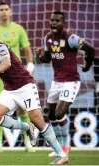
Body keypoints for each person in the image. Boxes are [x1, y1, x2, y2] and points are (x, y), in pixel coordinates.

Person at [0, 27, 68, 164]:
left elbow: (6, 63)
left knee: (37, 120)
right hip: (10, 90)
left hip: (25, 86)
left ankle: (61, 154)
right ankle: (26, 127)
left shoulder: (0, 47)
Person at [36, 11, 95, 157]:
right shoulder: (48, 38)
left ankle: (64, 145)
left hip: (71, 81)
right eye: (52, 20)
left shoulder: (71, 38)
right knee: (50, 115)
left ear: (63, 23)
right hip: (57, 82)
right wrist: (40, 56)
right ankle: (58, 146)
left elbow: (91, 49)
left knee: (59, 113)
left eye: (57, 21)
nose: (54, 23)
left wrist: (87, 65)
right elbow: (47, 59)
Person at [0, 2, 36, 152]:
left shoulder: (18, 29)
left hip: (16, 76)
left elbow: (26, 49)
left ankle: (27, 143)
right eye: (1, 10)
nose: (4, 12)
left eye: (6, 9)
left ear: (11, 12)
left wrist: (31, 64)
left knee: (22, 109)